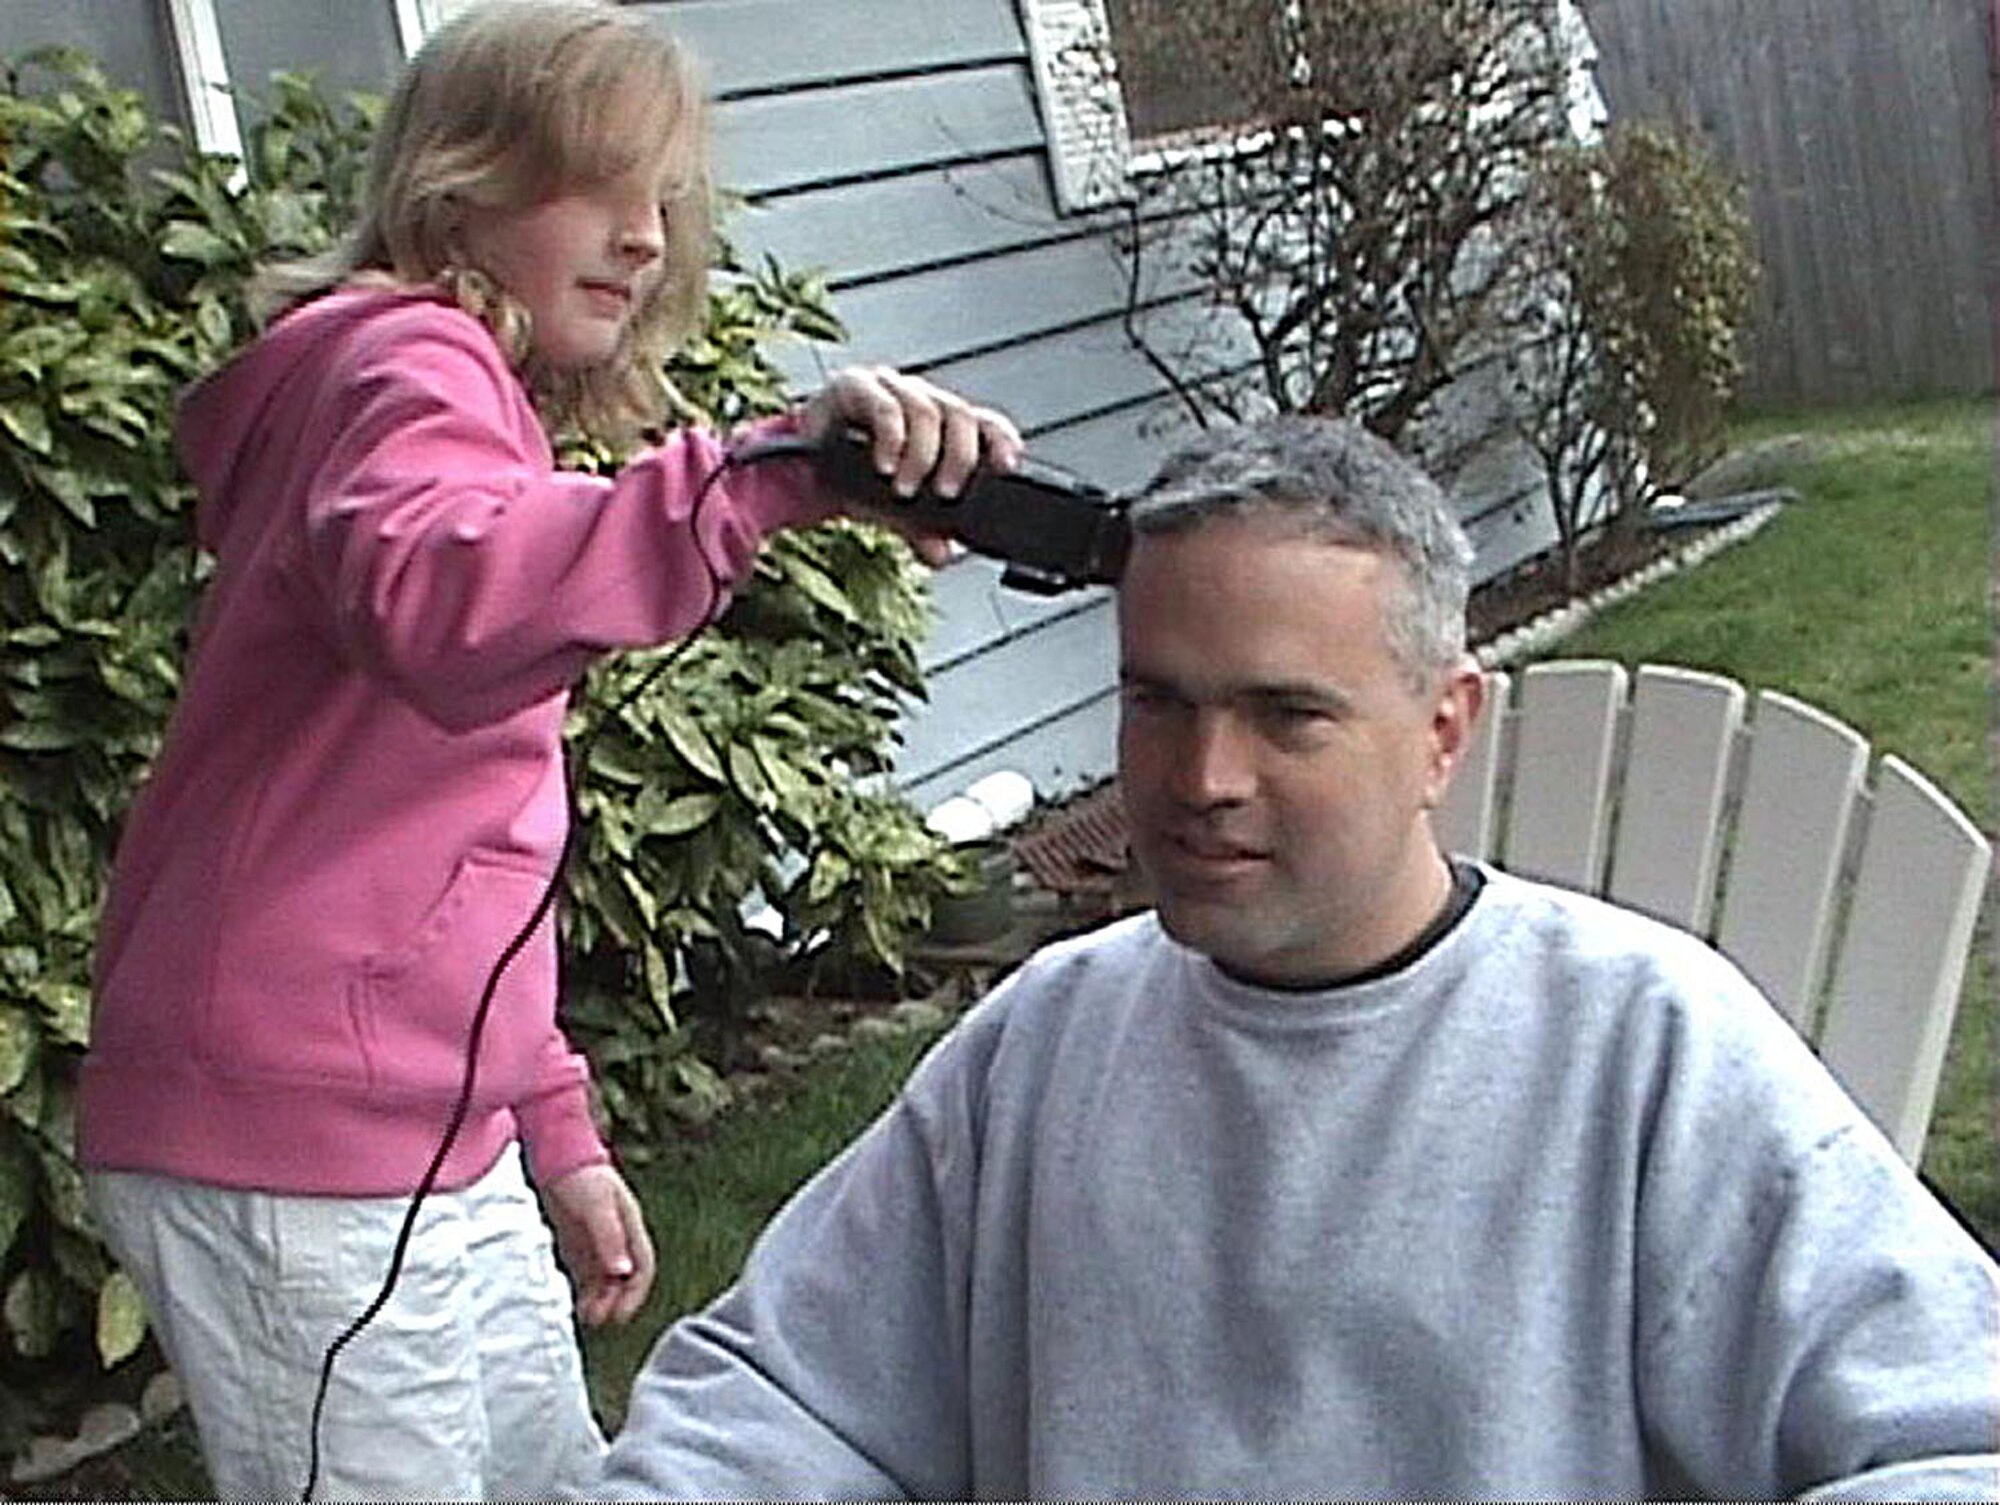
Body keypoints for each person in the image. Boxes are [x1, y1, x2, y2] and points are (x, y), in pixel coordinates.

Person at [602, 415, 2000, 1501]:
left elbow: (1955, 1434)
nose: (1203, 775)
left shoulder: (1640, 1050)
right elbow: (782, 1393)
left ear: (1444, 727)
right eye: (1160, 701)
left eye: (1286, 715)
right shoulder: (1043, 1048)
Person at [77, 2, 1020, 1499]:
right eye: (599, 185)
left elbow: (454, 858)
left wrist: (551, 1124)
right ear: (461, 184)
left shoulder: (465, 415)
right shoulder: (403, 365)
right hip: (297, 1144)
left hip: (427, 1132)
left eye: (663, 200)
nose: (644, 239)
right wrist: (754, 479)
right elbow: (441, 598)